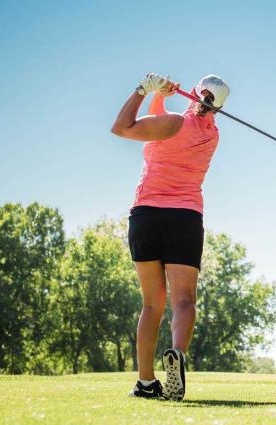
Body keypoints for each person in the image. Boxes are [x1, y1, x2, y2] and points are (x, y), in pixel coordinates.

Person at [110, 73, 230, 400]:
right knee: (184, 301)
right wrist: (161, 96)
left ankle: (146, 382)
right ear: (218, 109)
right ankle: (177, 351)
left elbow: (122, 127)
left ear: (193, 93)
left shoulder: (175, 123)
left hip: (146, 217)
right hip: (185, 219)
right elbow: (165, 125)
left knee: (152, 304)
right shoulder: (212, 134)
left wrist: (143, 89)